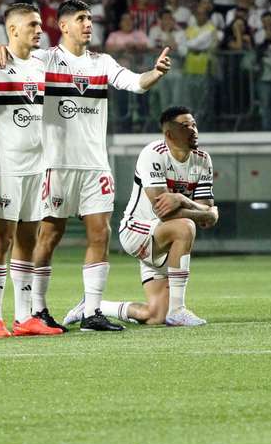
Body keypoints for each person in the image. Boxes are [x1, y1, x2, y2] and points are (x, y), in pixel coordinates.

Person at [0, 0, 172, 332]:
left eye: (90, 18)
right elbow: (13, 56)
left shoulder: (102, 62)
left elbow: (134, 83)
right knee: (49, 235)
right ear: (62, 26)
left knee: (99, 233)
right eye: (80, 18)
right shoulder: (44, 60)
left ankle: (92, 312)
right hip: (55, 165)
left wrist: (155, 74)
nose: (88, 23)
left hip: (94, 165)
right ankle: (38, 309)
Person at [80, 106, 218, 327]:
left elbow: (206, 211)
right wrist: (204, 212)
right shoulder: (153, 153)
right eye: (185, 126)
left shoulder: (202, 160)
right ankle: (178, 309)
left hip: (164, 240)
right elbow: (163, 210)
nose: (193, 130)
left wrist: (184, 201)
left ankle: (92, 306)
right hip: (137, 230)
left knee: (154, 316)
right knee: (186, 227)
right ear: (169, 134)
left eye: (194, 124)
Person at [0, 3, 63, 338]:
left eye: (40, 24)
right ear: (12, 30)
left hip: (36, 166)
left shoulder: (42, 64)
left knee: (28, 238)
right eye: (32, 25)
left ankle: (24, 317)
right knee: (2, 238)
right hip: (3, 167)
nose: (39, 30)